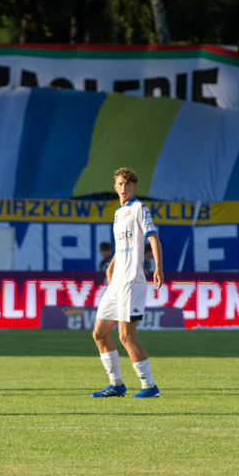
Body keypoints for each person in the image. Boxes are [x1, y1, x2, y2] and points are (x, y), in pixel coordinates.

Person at [91, 167, 164, 398]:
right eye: (120, 184)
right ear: (115, 186)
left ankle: (149, 386)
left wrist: (159, 269)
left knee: (126, 336)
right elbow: (122, 245)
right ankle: (116, 385)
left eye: (127, 184)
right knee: (100, 334)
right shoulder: (118, 212)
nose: (123, 188)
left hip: (132, 280)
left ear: (134, 187)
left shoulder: (140, 209)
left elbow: (153, 238)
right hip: (117, 282)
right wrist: (111, 266)